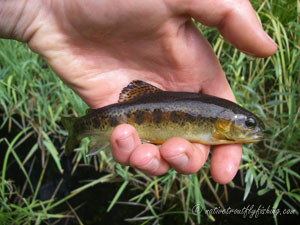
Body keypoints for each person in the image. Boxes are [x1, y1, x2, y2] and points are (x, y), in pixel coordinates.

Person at [0, 0, 277, 184]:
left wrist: (36, 9)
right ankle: (81, 127)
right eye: (248, 124)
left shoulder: (218, 120)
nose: (252, 128)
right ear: (226, 122)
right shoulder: (216, 123)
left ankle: (82, 127)